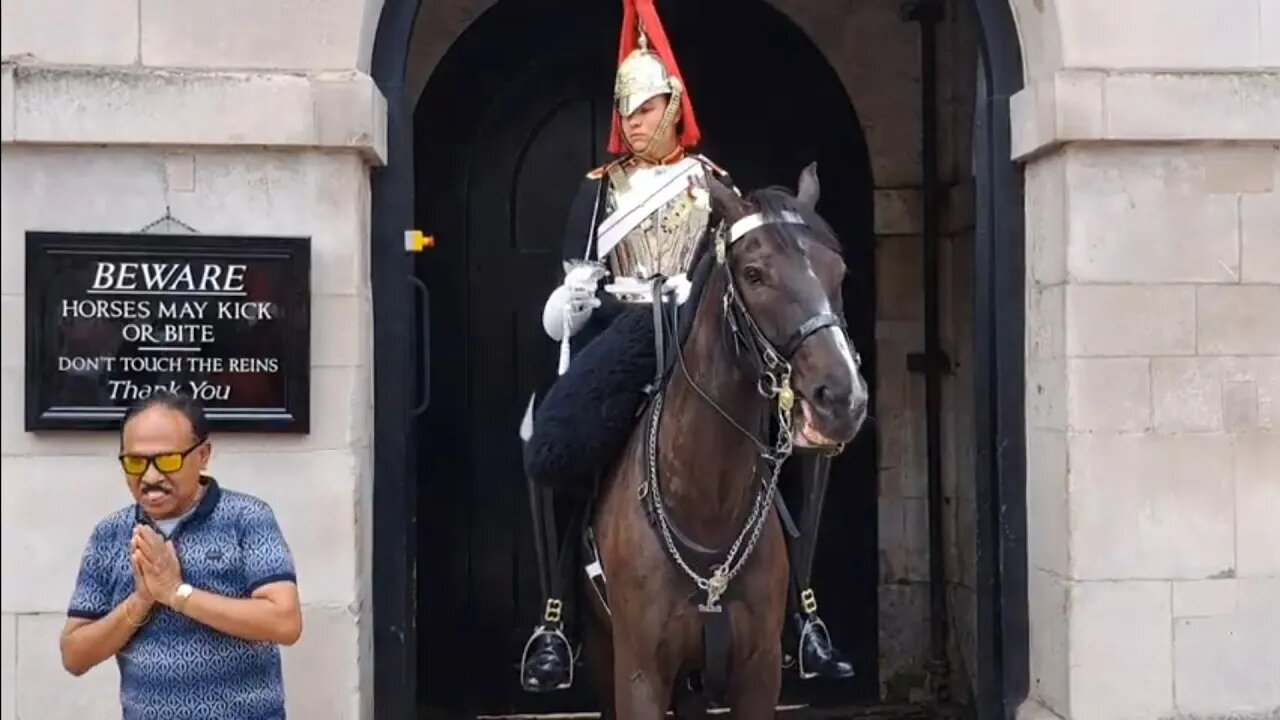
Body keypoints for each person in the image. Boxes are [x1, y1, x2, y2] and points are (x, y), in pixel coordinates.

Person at [517, 0, 854, 693]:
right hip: (624, 334)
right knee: (559, 443)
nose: (631, 123)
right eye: (625, 111)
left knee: (789, 442)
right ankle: (557, 616)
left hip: (704, 331)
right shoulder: (599, 191)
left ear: (673, 104)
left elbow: (745, 270)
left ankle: (804, 613)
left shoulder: (713, 186)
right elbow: (572, 280)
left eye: (643, 108)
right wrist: (566, 307)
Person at [60, 392, 302, 719]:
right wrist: (141, 601)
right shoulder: (111, 534)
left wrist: (177, 593)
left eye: (167, 460)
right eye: (135, 462)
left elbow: (285, 622)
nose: (150, 477)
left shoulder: (246, 518)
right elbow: (74, 655)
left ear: (202, 455)